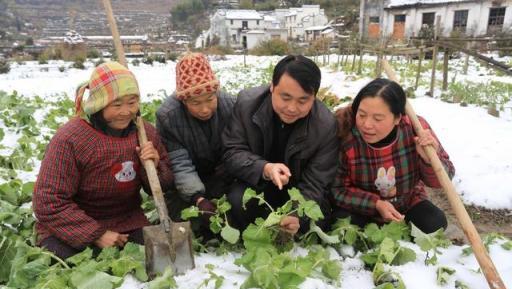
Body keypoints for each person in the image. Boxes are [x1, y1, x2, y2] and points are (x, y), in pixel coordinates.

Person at [33, 62, 174, 259]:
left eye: (132, 102)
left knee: (149, 256)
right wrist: (95, 234)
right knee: (71, 261)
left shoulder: (145, 132)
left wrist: (155, 165)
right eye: (116, 104)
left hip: (126, 220)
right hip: (76, 221)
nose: (126, 111)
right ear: (99, 104)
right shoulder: (71, 138)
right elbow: (48, 201)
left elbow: (163, 186)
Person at [222, 55, 339, 235]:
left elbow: (317, 181)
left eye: (302, 101)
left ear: (314, 96)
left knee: (318, 215)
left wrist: (297, 215)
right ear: (272, 87)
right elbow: (232, 152)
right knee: (238, 200)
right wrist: (265, 169)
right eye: (285, 97)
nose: (292, 108)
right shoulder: (246, 104)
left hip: (298, 191)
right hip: (257, 185)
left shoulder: (325, 124)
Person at [331, 78, 455, 233]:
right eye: (361, 115)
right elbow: (338, 190)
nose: (367, 125)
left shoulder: (416, 128)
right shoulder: (346, 134)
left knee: (434, 223)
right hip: (362, 206)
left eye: (377, 118)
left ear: (397, 118)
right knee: (341, 225)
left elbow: (445, 178)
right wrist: (376, 204)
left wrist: (429, 159)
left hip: (406, 202)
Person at [156, 53, 235, 228]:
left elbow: (238, 147)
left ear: (216, 93)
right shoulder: (168, 116)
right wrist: (198, 199)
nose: (205, 109)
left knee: (237, 208)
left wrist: (229, 168)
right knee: (185, 218)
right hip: (187, 181)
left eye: (210, 99)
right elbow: (179, 162)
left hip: (224, 174)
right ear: (183, 101)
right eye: (195, 103)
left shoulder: (231, 105)